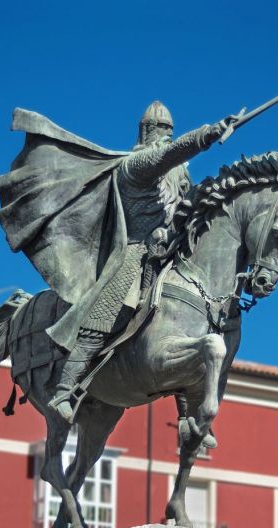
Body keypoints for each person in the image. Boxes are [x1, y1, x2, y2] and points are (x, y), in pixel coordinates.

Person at [47, 101, 239, 424]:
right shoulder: (136, 164)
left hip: (171, 251)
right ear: (148, 132)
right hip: (134, 252)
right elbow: (168, 154)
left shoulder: (177, 173)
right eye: (163, 132)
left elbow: (188, 202)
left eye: (170, 133)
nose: (166, 137)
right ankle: (65, 388)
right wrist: (208, 134)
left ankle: (190, 408)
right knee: (108, 308)